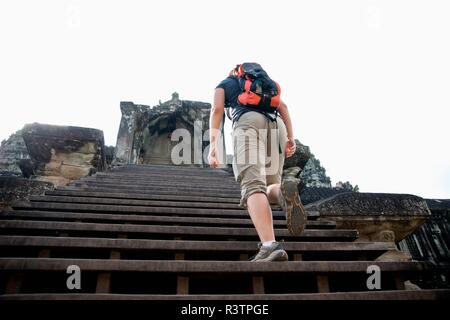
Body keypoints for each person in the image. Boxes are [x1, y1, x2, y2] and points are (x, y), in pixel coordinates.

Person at [208, 63, 307, 262]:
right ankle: (282, 192)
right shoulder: (264, 84)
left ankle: (270, 245)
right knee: (269, 185)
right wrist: (290, 137)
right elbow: (283, 107)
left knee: (253, 187)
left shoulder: (225, 83)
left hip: (247, 123)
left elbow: (217, 109)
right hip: (276, 125)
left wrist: (213, 145)